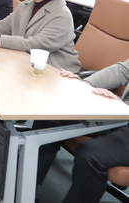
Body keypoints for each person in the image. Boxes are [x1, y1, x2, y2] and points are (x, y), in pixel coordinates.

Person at [52, 60, 129, 203]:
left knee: (90, 154)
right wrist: (86, 84)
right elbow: (123, 70)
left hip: (125, 114)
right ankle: (26, 190)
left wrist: (122, 105)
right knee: (54, 118)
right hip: (123, 115)